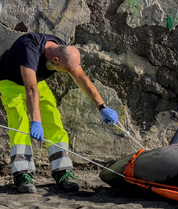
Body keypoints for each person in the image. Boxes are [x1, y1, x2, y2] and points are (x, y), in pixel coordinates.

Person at [0, 32, 119, 194]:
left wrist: (102, 106)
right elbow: (30, 89)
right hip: (11, 82)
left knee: (54, 119)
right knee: (19, 122)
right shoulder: (28, 48)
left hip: (38, 83)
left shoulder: (62, 49)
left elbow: (82, 78)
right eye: (64, 71)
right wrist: (36, 122)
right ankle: (22, 174)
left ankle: (62, 171)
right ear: (56, 60)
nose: (65, 73)